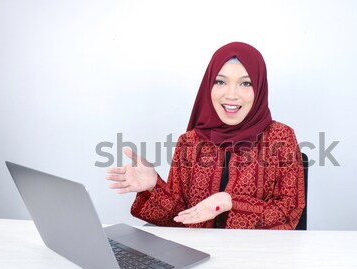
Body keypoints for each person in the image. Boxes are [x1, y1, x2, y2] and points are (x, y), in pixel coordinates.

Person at [106, 42, 305, 229]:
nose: (231, 94)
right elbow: (179, 218)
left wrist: (230, 202)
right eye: (220, 82)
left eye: (245, 84)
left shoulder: (280, 137)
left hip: (256, 258)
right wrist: (153, 186)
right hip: (199, 257)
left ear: (260, 88)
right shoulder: (189, 142)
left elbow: (289, 213)